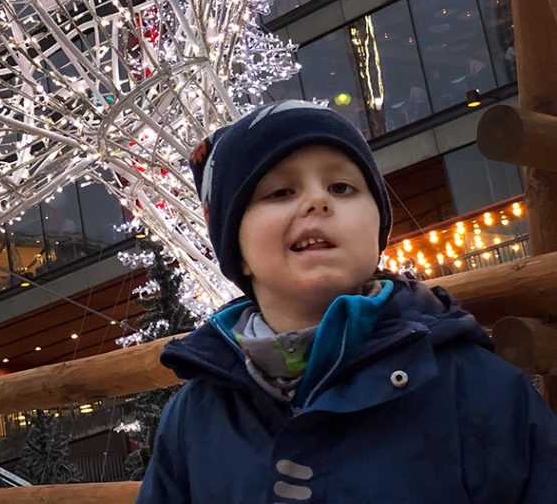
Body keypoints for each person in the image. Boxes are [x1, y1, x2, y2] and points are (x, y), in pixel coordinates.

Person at [137, 100, 557, 503]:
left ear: (377, 230)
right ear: (237, 250)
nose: (317, 201)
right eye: (281, 192)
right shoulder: (195, 417)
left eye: (341, 187)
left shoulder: (469, 383)